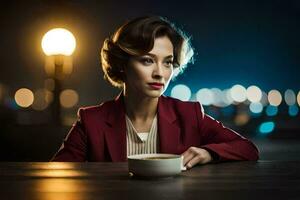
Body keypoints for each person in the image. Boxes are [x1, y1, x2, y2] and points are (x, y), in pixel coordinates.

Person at [51, 16, 259, 169]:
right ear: (123, 64)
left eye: (167, 62)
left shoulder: (189, 114)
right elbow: (57, 173)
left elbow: (247, 149)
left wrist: (208, 153)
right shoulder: (91, 120)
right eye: (147, 60)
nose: (160, 73)